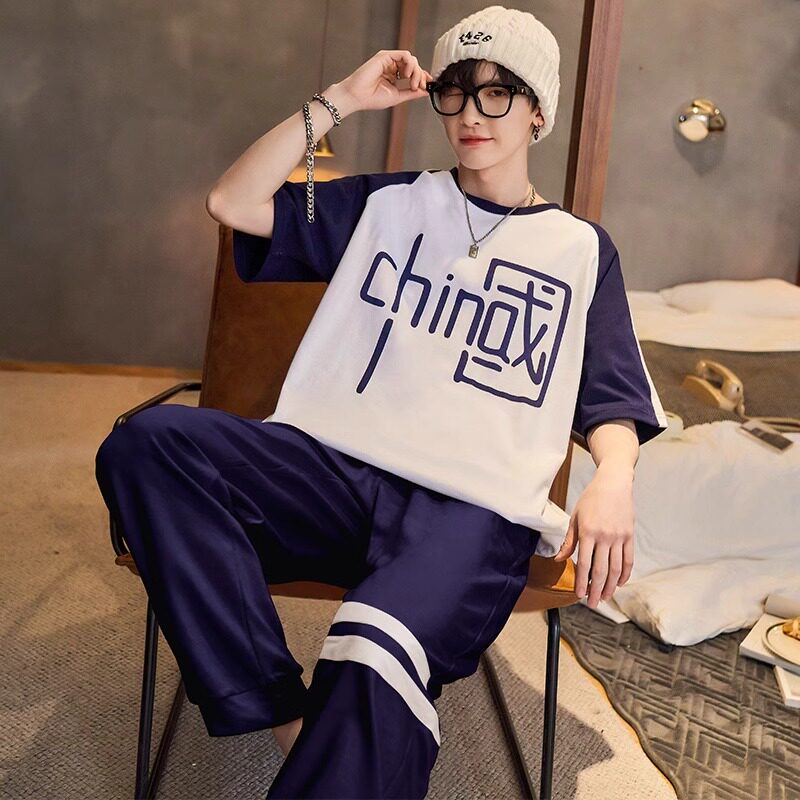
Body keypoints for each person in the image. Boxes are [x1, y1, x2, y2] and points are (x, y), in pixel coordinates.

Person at [95, 5, 668, 798]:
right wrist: (339, 100)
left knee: (374, 644)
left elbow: (611, 396)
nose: (472, 114)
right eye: (456, 92)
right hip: (331, 474)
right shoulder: (386, 205)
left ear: (539, 112)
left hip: (470, 510)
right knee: (150, 444)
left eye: (499, 93)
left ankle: (329, 750)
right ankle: (285, 715)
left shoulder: (580, 251)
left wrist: (614, 478)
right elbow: (232, 202)